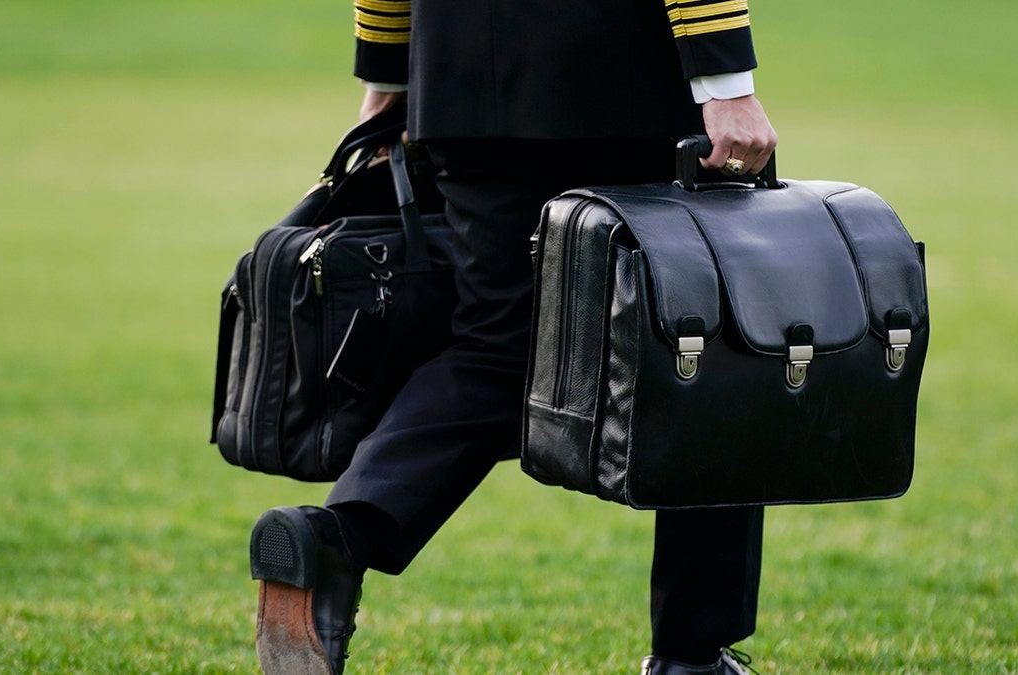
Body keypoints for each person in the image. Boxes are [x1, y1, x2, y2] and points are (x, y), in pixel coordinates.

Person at [248, 1, 778, 673]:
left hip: (462, 78)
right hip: (626, 77)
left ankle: (337, 539)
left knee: (495, 348)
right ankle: (692, 656)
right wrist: (726, 81)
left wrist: (388, 80)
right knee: (710, 343)